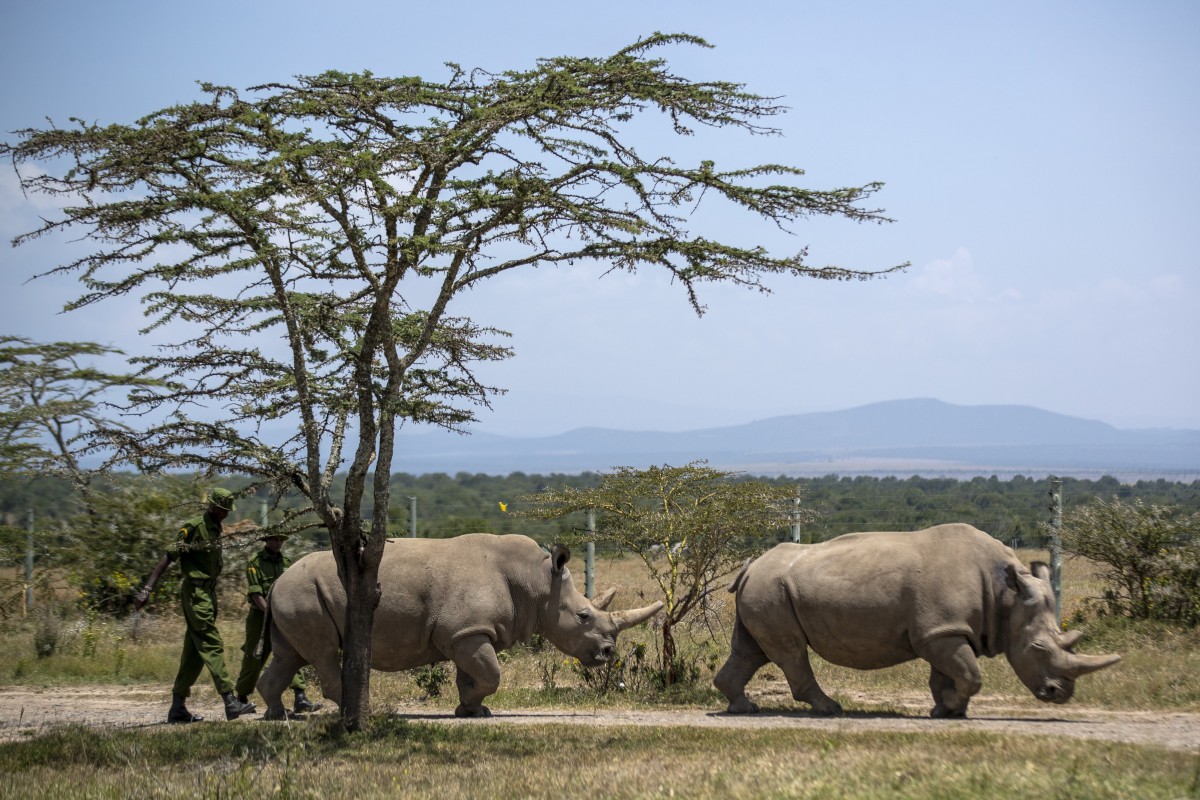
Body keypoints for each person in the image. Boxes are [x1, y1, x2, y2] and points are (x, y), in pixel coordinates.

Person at [135, 487, 257, 723]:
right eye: (222, 510)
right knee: (212, 644)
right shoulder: (193, 527)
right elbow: (169, 555)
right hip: (195, 593)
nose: (226, 514)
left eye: (227, 511)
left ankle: (177, 707)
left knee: (194, 653)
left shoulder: (216, 526)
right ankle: (230, 701)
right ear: (212, 506)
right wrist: (147, 589)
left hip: (208, 593)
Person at [234, 532, 321, 714]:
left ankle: (300, 697)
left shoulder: (287, 563)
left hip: (284, 617)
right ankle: (241, 697)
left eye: (281, 539)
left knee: (293, 652)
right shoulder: (255, 562)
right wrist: (271, 612)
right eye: (274, 539)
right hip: (260, 616)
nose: (278, 543)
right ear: (265, 540)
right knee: (255, 655)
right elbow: (255, 593)